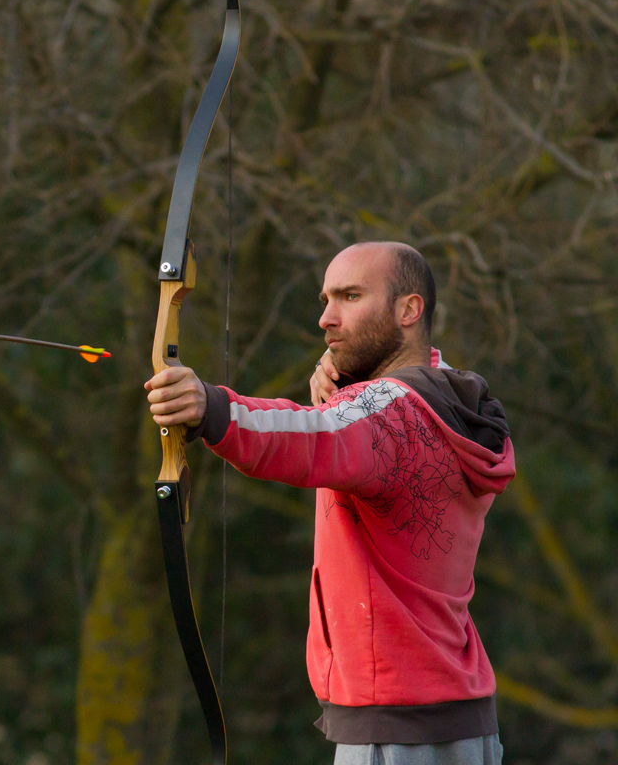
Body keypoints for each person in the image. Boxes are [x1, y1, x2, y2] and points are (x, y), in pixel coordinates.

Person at [144, 242, 513, 765]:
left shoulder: (389, 416)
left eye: (350, 296)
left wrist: (211, 407)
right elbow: (374, 401)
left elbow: (310, 433)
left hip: (396, 731)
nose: (325, 318)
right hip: (462, 722)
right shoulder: (448, 404)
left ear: (409, 310)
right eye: (326, 298)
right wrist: (356, 375)